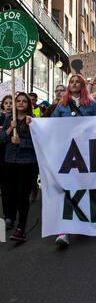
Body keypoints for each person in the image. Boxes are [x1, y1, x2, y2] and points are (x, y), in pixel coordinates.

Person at [51, 75, 96, 247]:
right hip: (67, 152)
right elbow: (51, 125)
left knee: (84, 187)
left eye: (77, 81)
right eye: (71, 82)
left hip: (85, 152)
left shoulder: (91, 104)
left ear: (83, 85)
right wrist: (32, 122)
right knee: (68, 187)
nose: (74, 83)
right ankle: (65, 230)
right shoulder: (62, 105)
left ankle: (84, 219)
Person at [0, 92, 37, 242]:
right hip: (10, 161)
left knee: (22, 196)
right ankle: (11, 219)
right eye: (18, 101)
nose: (21, 103)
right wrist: (10, 129)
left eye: (24, 101)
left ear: (28, 104)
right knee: (11, 194)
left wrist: (21, 142)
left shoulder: (32, 121)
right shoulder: (9, 118)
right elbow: (2, 140)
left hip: (27, 163)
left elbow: (37, 144)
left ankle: (21, 228)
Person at [0, 95, 13, 228]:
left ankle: (9, 216)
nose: (8, 105)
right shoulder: (1, 118)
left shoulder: (16, 118)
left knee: (9, 188)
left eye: (11, 103)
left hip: (10, 158)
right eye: (6, 103)